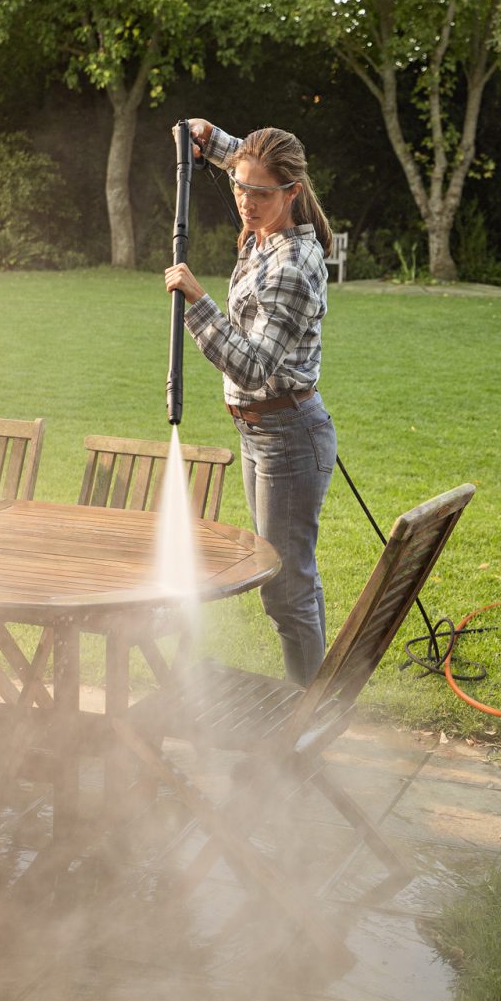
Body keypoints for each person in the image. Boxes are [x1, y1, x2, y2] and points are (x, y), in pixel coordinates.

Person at [165, 119, 337, 687]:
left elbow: (254, 366)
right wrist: (207, 138)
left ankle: (305, 724)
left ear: (291, 192)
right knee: (288, 588)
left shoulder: (292, 266)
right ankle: (307, 714)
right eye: (239, 187)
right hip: (261, 433)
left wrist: (198, 302)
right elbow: (250, 159)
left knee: (287, 594)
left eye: (260, 194)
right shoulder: (267, 215)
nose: (245, 200)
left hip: (287, 436)